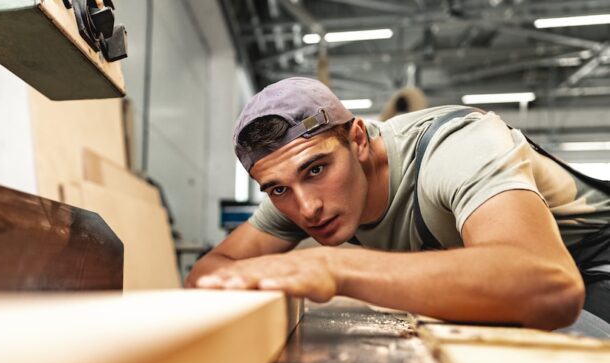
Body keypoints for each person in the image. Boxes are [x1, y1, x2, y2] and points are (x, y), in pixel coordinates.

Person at [185, 77, 610, 336]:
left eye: (316, 170)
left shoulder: (456, 146)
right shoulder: (295, 190)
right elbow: (209, 270)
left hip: (593, 268)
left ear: (357, 139)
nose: (308, 209)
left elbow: (550, 285)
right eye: (277, 189)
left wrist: (333, 269)